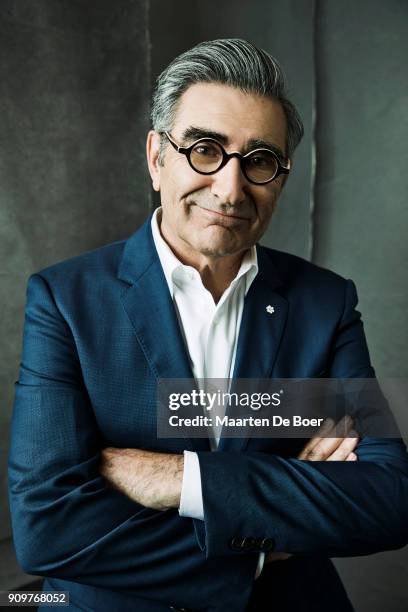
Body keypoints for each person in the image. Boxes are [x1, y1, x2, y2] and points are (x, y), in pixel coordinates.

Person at [8, 39, 408, 612]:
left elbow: (388, 499)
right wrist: (268, 538)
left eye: (260, 159)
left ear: (281, 177)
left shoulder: (326, 303)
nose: (230, 187)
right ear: (156, 157)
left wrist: (183, 478)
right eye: (204, 149)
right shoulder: (65, 299)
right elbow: (49, 527)